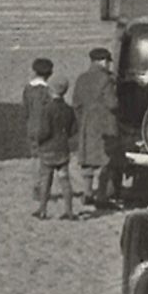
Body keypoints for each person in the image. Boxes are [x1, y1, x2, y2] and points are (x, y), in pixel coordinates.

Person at [72, 47, 119, 210]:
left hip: (87, 123)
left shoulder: (81, 78)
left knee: (87, 161)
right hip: (104, 124)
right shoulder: (106, 79)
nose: (108, 65)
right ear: (102, 62)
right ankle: (102, 196)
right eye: (107, 62)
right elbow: (112, 103)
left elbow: (76, 103)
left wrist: (82, 120)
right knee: (106, 160)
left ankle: (87, 193)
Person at [32, 76, 77, 220]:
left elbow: (44, 131)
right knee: (65, 180)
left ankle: (43, 209)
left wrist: (38, 140)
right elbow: (74, 129)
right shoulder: (69, 110)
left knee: (46, 179)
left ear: (51, 91)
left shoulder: (47, 109)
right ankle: (69, 210)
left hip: (48, 149)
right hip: (62, 148)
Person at [23, 58, 56, 155]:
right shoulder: (47, 91)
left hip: (31, 125)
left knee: (34, 150)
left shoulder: (28, 88)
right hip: (45, 126)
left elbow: (26, 108)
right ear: (50, 73)